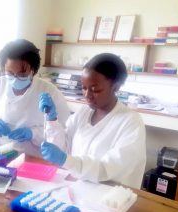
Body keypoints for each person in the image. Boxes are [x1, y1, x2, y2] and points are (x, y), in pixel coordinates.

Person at [39, 53, 146, 188]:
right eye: (84, 88)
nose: (87, 95)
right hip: (77, 189)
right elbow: (64, 148)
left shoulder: (130, 122)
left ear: (116, 87)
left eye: (95, 89)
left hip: (109, 198)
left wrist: (68, 161)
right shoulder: (83, 112)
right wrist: (52, 119)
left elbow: (107, 169)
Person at [0, 39, 70, 156]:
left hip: (34, 158)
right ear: (4, 68)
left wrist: (33, 133)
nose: (15, 78)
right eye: (10, 73)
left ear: (33, 70)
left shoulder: (50, 92)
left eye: (22, 74)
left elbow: (62, 134)